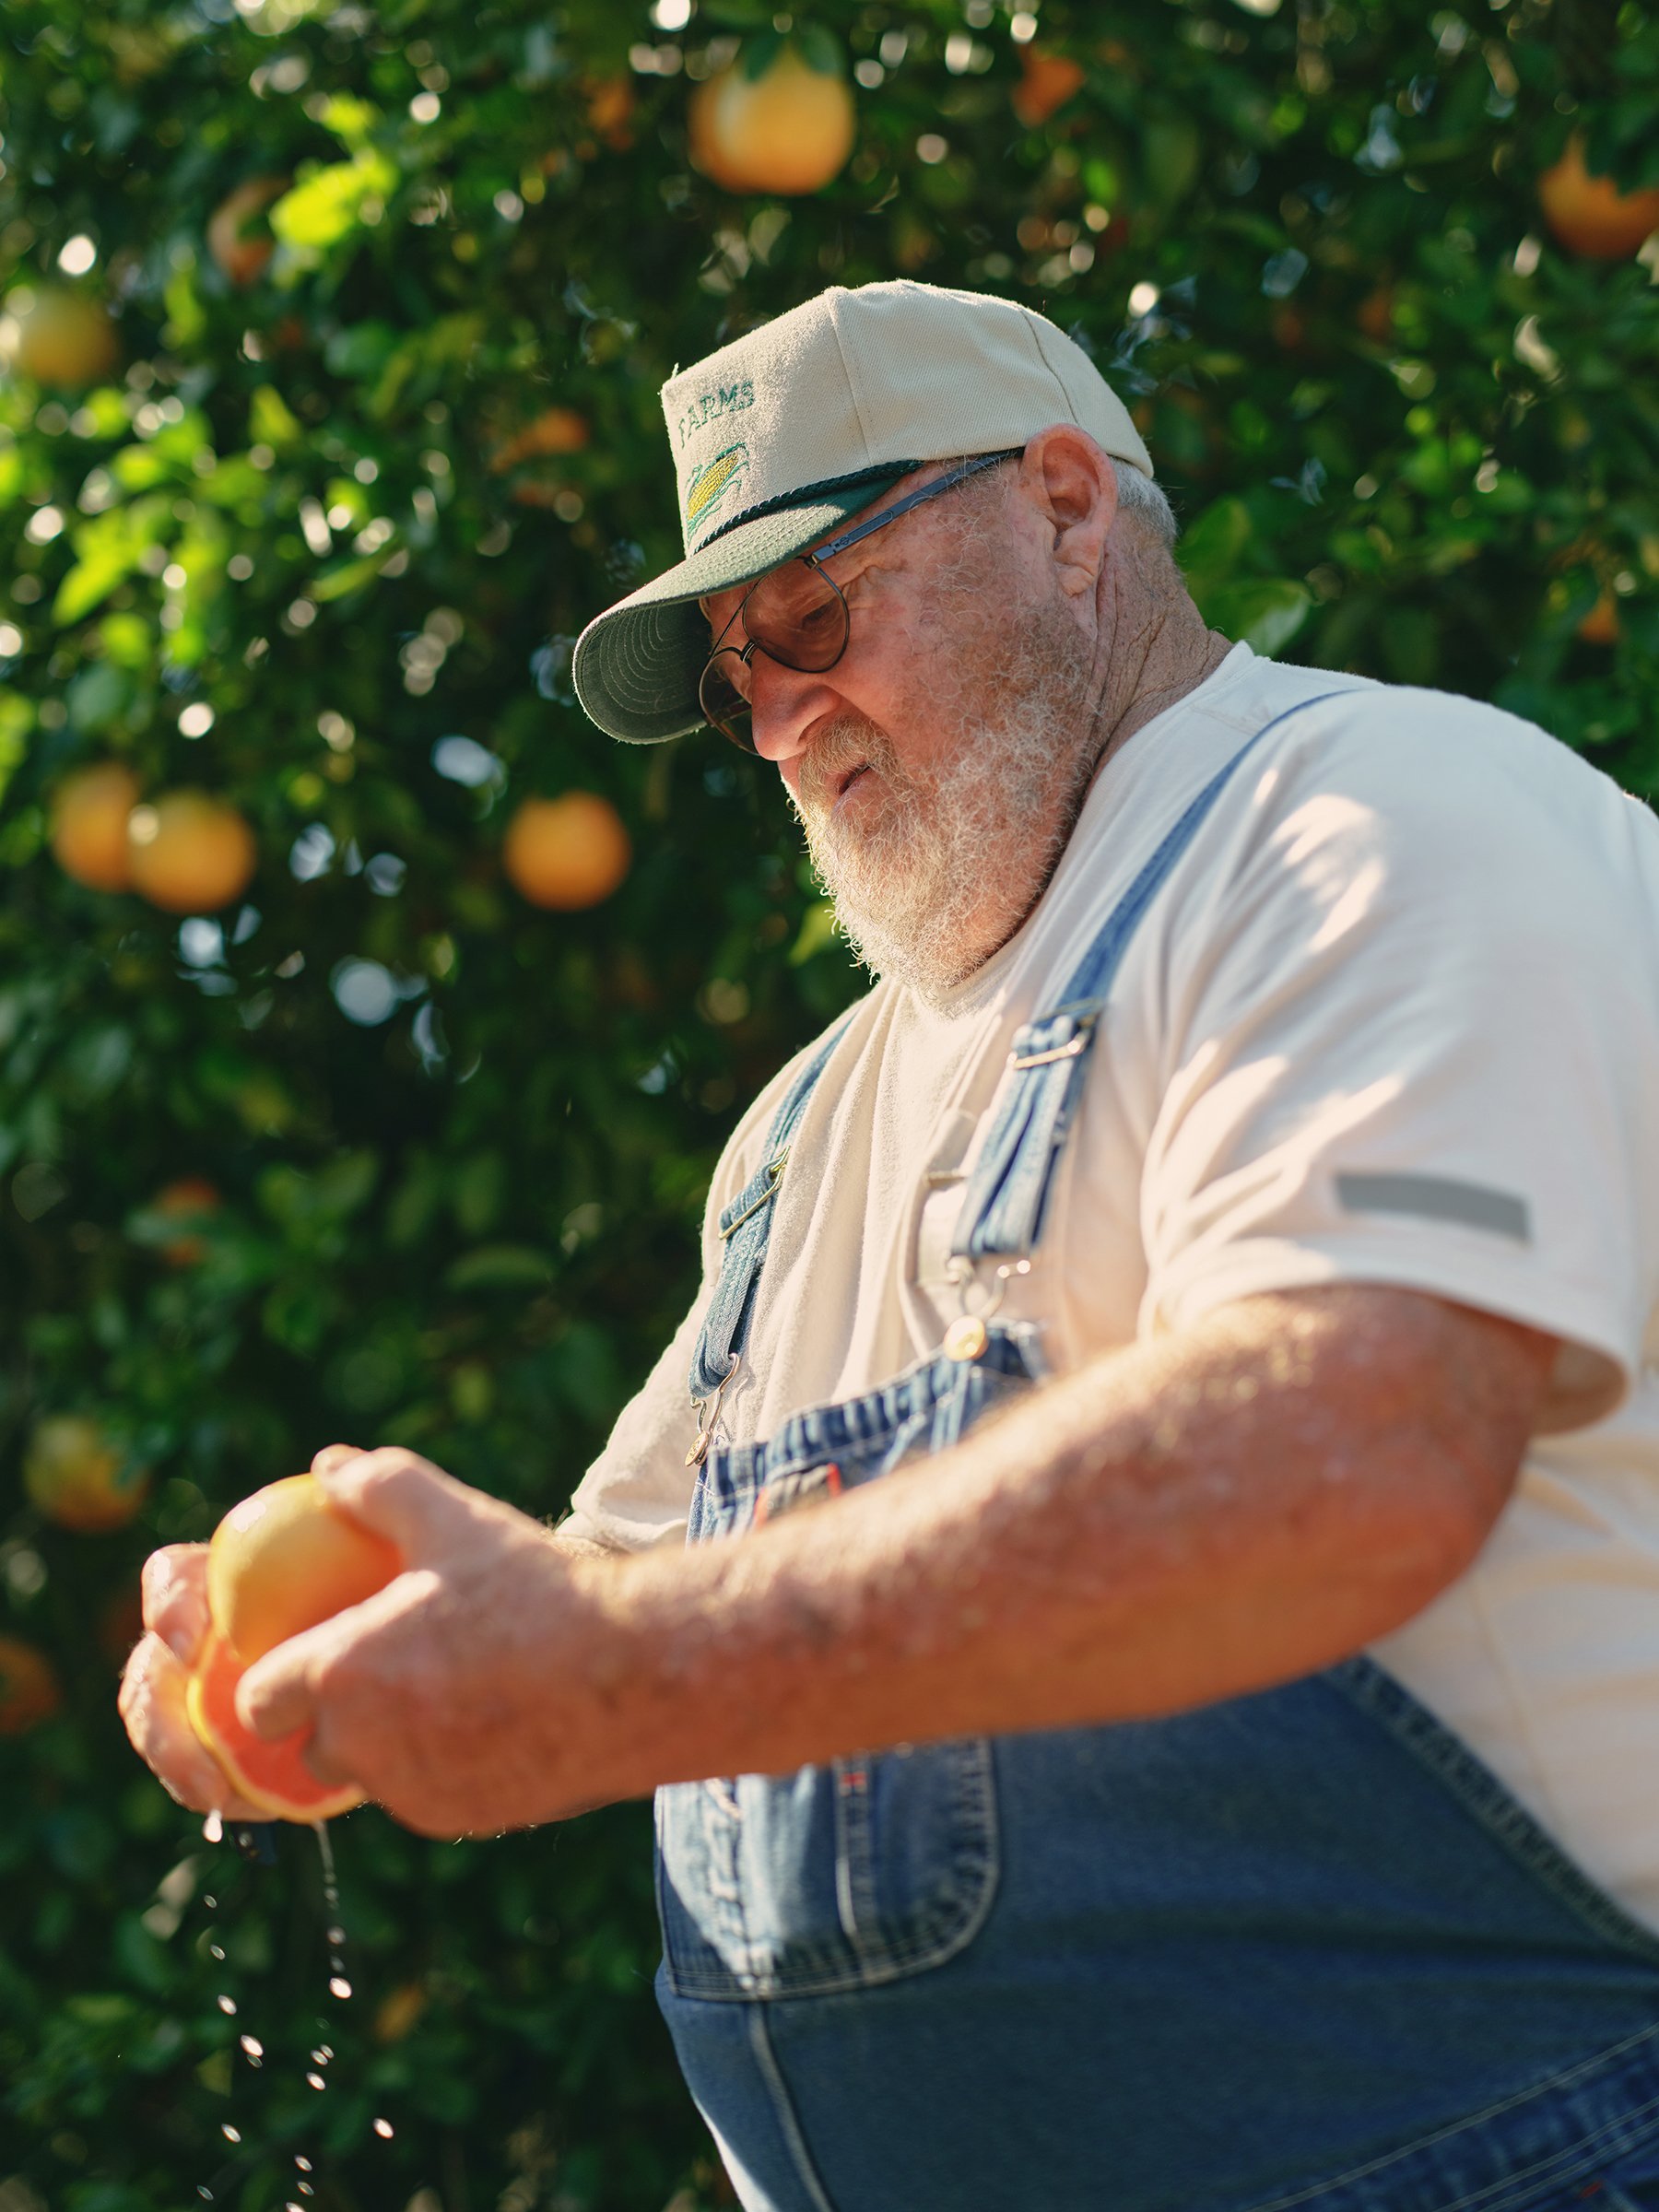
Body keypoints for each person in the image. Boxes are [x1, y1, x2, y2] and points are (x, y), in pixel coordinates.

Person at [122, 280, 1659, 2211]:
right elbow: (626, 1589)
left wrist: (610, 1664)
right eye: (735, 681)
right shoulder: (801, 1127)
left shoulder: (1372, 827)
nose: (778, 724)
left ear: (1068, 510)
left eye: (813, 621)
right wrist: (347, 1650)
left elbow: (1355, 1451)